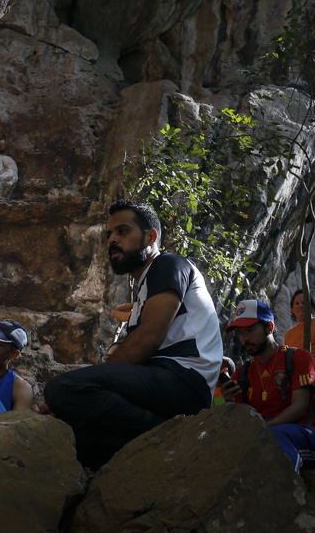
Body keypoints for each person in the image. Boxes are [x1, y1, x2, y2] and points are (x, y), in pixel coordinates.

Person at [43, 199, 223, 470]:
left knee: (64, 388)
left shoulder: (167, 265)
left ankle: (172, 439)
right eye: (109, 235)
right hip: (163, 384)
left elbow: (148, 339)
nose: (113, 240)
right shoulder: (145, 288)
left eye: (123, 231)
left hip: (184, 381)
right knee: (73, 440)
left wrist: (93, 381)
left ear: (151, 236)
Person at [221, 300, 315, 472]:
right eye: (241, 333)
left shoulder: (298, 358)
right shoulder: (241, 375)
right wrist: (229, 403)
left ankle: (286, 492)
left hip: (305, 435)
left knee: (273, 437)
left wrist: (264, 428)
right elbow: (240, 422)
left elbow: (300, 407)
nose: (245, 338)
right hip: (261, 436)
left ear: (269, 327)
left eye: (251, 330)